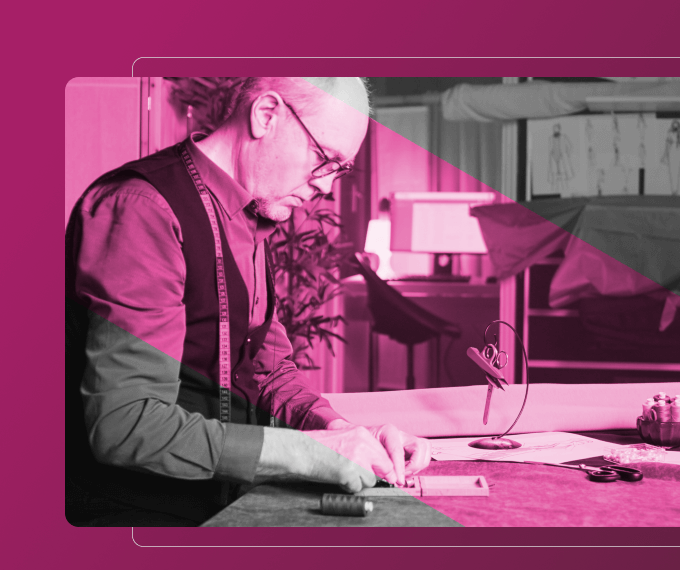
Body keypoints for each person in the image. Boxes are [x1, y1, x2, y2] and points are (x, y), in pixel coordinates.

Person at [65, 77, 431, 526]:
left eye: (340, 169)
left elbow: (268, 370)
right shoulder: (145, 209)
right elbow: (127, 425)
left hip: (221, 505)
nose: (326, 187)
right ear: (266, 115)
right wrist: (307, 452)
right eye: (324, 159)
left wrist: (343, 432)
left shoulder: (250, 213)